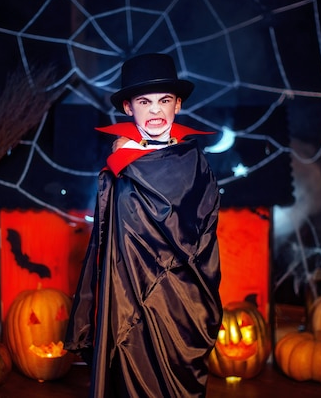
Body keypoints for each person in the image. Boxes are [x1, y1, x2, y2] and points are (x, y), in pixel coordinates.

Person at [65, 53, 222, 397]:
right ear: (127, 108)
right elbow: (106, 243)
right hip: (129, 306)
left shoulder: (196, 165)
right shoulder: (116, 170)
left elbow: (200, 231)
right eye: (144, 101)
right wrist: (127, 159)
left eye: (164, 100)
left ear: (178, 105)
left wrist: (131, 161)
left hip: (180, 302)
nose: (155, 111)